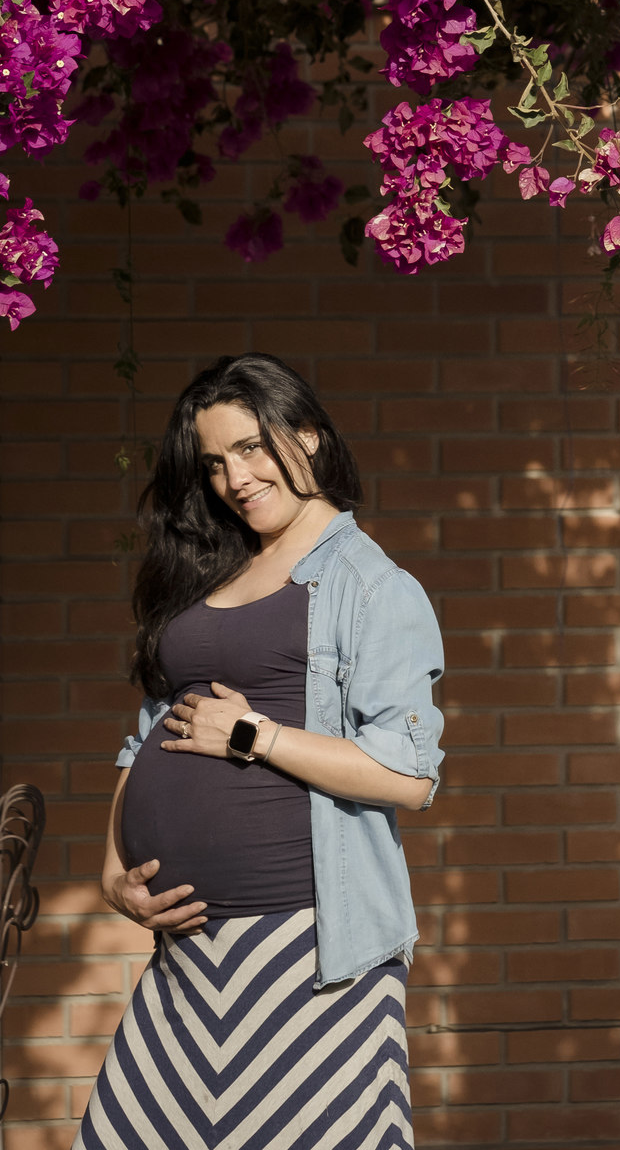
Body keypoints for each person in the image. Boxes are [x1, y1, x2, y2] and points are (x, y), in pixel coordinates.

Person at [75, 353, 445, 1150]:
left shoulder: (372, 585)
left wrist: (254, 735)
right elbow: (150, 732)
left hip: (310, 951)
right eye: (214, 463)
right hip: (189, 955)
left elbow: (408, 776)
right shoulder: (218, 569)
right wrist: (112, 870)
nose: (234, 478)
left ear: (307, 437)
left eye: (251, 448)